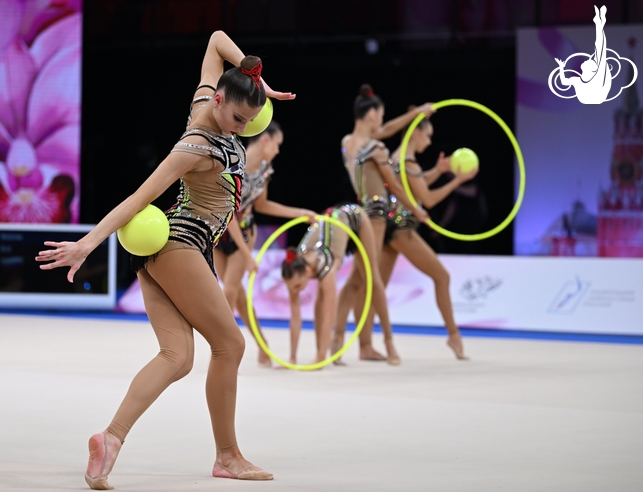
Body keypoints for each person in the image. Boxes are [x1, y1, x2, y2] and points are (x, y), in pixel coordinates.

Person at [36, 30, 294, 488]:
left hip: (169, 250)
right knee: (230, 346)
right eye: (237, 116)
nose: (241, 127)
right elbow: (139, 197)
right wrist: (87, 243)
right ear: (218, 100)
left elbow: (216, 40)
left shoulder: (205, 104)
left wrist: (261, 83)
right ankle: (228, 455)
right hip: (181, 244)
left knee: (177, 356)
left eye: (249, 121)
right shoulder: (195, 143)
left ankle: (109, 439)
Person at [341, 114, 476, 362]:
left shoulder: (398, 157)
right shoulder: (408, 162)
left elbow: (415, 182)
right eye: (428, 135)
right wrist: (458, 180)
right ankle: (453, 335)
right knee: (441, 276)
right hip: (401, 229)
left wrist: (438, 170)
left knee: (374, 286)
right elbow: (428, 199)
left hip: (391, 228)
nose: (429, 140)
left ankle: (365, 345)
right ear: (416, 133)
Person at [332, 84, 430, 365]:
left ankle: (340, 342)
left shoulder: (347, 142)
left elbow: (385, 130)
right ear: (373, 115)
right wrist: (417, 211)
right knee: (373, 280)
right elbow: (396, 187)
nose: (383, 122)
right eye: (381, 116)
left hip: (359, 213)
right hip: (374, 217)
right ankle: (388, 343)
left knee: (355, 281)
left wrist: (417, 114)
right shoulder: (376, 148)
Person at [214, 120, 317, 367]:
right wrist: (248, 258)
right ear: (265, 140)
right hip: (221, 229)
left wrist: (299, 212)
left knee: (228, 290)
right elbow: (227, 213)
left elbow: (263, 206)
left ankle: (223, 353)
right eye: (278, 144)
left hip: (245, 231)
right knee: (236, 295)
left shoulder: (265, 168)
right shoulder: (233, 163)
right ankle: (262, 343)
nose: (278, 150)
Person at [281, 203, 400, 365]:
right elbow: (295, 317)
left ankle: (389, 341)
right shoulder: (294, 269)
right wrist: (292, 358)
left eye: (297, 286)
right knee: (320, 298)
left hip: (353, 217)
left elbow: (329, 315)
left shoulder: (326, 267)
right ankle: (324, 349)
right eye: (291, 287)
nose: (294, 291)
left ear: (308, 271)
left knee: (372, 279)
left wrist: (321, 358)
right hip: (331, 223)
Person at [555, 6, 610, 104]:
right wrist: (561, 68)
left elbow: (600, 47)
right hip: (590, 97)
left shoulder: (596, 78)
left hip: (596, 96)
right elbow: (564, 82)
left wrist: (599, 26)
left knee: (600, 52)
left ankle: (599, 24)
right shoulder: (578, 81)